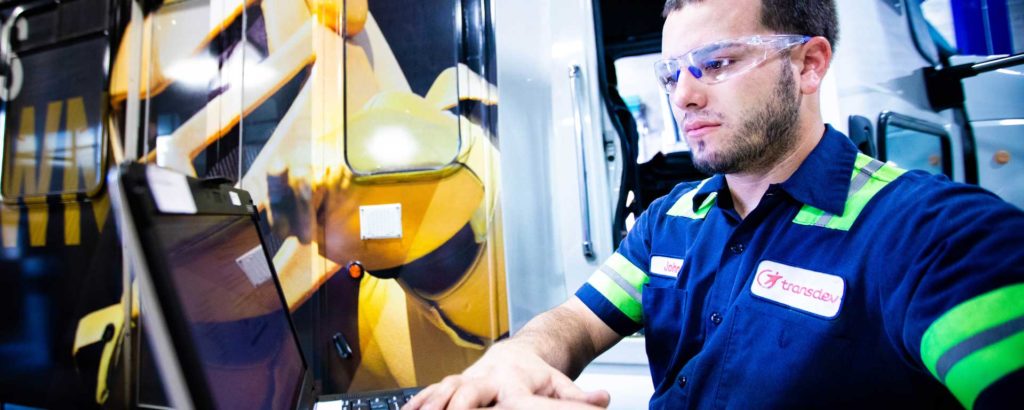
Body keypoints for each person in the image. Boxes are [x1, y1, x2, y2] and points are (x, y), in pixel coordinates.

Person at [404, 0, 1024, 408]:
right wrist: (517, 357)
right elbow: (576, 322)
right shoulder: (670, 222)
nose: (685, 98)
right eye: (672, 74)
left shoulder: (938, 238)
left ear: (809, 65)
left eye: (717, 64)